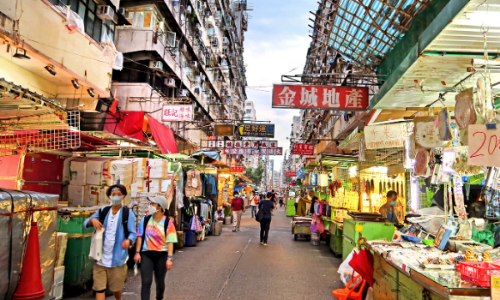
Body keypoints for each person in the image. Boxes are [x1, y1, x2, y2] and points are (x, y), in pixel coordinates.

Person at [84, 184, 137, 300]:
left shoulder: (128, 214)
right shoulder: (103, 211)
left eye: (119, 195)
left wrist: (128, 240)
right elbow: (86, 223)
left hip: (117, 259)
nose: (116, 197)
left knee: (116, 288)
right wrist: (92, 220)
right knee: (99, 288)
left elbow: (133, 233)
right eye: (113, 195)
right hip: (100, 257)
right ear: (109, 197)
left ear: (123, 196)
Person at [134, 196, 177, 300]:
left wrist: (169, 258)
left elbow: (170, 241)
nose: (150, 206)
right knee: (146, 282)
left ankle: (159, 297)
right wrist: (137, 252)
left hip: (162, 255)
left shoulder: (167, 222)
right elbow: (140, 236)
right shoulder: (146, 219)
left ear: (159, 207)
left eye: (152, 204)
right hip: (146, 254)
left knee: (160, 281)